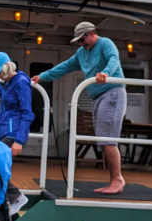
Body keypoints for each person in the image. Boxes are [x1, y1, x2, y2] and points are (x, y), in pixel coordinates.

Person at [32, 21, 127, 195]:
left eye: (82, 40)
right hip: (98, 97)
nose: (81, 44)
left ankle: (117, 179)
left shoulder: (105, 43)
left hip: (112, 93)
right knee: (103, 139)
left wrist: (106, 72)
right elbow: (66, 66)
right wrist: (43, 76)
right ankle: (114, 179)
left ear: (91, 33)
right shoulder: (81, 53)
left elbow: (114, 58)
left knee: (107, 139)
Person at [0, 51, 34, 215]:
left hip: (13, 134)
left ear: (5, 69)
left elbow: (28, 113)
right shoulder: (11, 82)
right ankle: (7, 202)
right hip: (5, 132)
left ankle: (16, 197)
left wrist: (19, 140)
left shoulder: (21, 82)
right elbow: (5, 96)